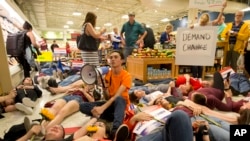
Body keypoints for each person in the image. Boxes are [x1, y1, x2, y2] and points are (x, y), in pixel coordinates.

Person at [79, 50, 132, 140]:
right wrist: (104, 87)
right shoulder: (108, 74)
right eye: (111, 57)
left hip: (121, 106)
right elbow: (108, 97)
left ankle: (115, 132)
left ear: (122, 60)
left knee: (119, 98)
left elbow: (116, 97)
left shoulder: (126, 76)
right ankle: (108, 118)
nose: (112, 59)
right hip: (110, 106)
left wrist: (102, 108)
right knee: (82, 106)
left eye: (116, 57)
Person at [190, 1, 227, 79]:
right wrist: (190, 26)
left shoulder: (205, 24)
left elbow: (218, 19)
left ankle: (197, 78)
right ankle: (197, 78)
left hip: (201, 48)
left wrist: (222, 9)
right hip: (199, 47)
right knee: (197, 63)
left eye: (204, 22)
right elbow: (217, 20)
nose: (203, 24)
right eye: (202, 22)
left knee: (198, 64)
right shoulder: (199, 25)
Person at [129, 109, 193, 141]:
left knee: (180, 115)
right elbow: (125, 132)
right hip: (147, 134)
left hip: (165, 128)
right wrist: (134, 118)